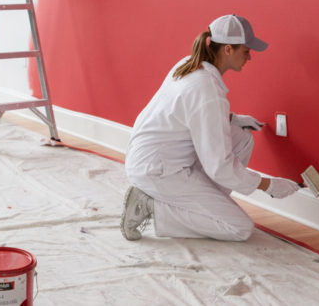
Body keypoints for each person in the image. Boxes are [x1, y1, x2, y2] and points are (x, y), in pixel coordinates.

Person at [121, 14, 301, 242]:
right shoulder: (207, 89)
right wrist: (270, 186)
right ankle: (149, 205)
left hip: (150, 156)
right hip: (158, 171)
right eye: (246, 51)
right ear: (228, 49)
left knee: (242, 138)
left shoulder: (189, 64)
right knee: (239, 228)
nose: (249, 57)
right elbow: (220, 167)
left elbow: (188, 112)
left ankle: (210, 203)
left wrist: (232, 118)